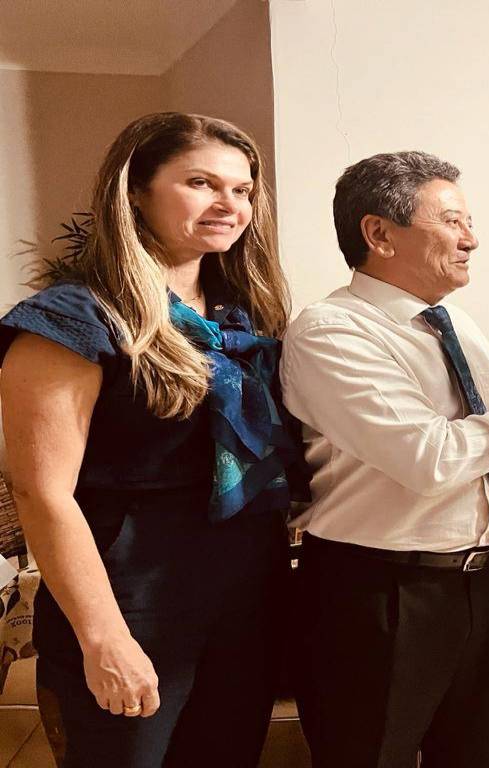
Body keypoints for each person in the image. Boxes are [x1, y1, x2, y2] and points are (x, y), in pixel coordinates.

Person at [280, 151, 489, 768]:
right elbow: (430, 457)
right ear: (379, 233)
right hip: (380, 592)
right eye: (451, 221)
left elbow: (475, 444)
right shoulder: (332, 330)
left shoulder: (455, 324)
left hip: (487, 585)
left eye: (469, 222)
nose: (472, 239)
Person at [0, 113, 308, 766]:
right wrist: (104, 638)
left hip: (246, 594)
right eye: (201, 183)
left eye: (242, 190)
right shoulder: (72, 319)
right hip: (130, 596)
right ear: (135, 191)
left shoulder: (242, 315)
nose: (229, 204)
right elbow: (41, 492)